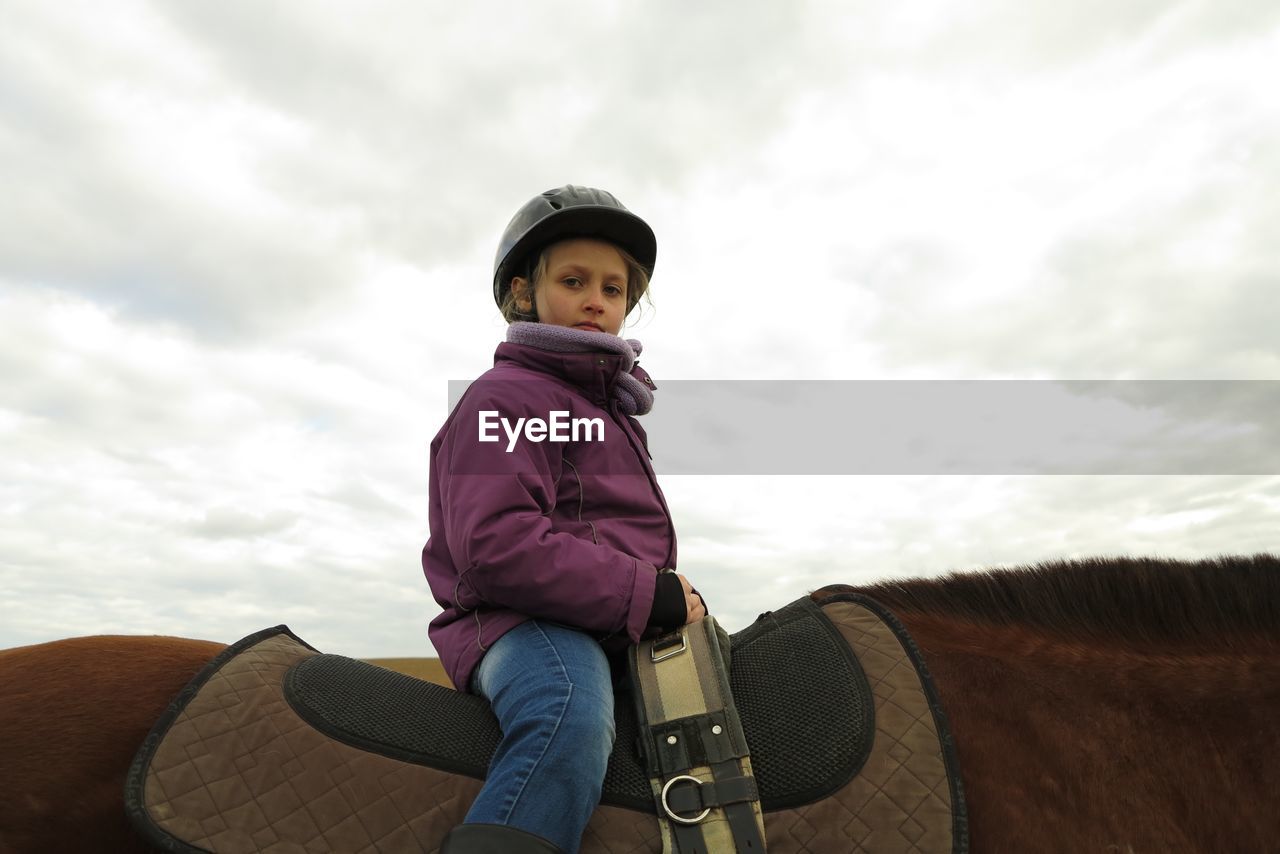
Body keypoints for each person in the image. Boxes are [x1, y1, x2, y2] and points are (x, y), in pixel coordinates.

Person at [423, 185, 705, 854]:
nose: (596, 300)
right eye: (574, 281)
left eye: (613, 289)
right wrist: (647, 593)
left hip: (603, 620)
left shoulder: (610, 411)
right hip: (520, 624)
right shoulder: (509, 396)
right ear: (524, 293)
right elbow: (496, 543)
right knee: (568, 715)